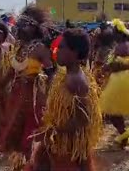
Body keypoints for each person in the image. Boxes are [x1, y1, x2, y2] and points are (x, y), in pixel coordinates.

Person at [27, 28, 102, 171]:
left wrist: (52, 131)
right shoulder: (66, 74)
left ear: (74, 52)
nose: (56, 51)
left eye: (61, 48)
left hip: (68, 146)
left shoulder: (76, 80)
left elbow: (83, 120)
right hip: (58, 141)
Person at [0, 6, 54, 170]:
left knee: (32, 131)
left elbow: (52, 73)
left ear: (33, 27)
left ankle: (34, 163)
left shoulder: (40, 49)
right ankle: (22, 163)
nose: (19, 28)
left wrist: (51, 97)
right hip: (16, 95)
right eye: (19, 24)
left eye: (24, 24)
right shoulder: (19, 47)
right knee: (16, 128)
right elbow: (11, 71)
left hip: (34, 96)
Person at [99, 19, 129, 147]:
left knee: (112, 111)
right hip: (121, 78)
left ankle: (124, 133)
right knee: (114, 111)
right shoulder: (124, 45)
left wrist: (108, 66)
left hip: (120, 79)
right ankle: (124, 135)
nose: (112, 34)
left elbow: (122, 64)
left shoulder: (122, 46)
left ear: (118, 33)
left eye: (114, 32)